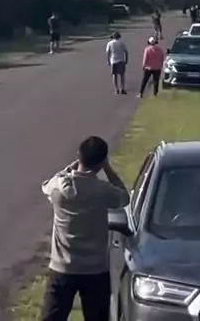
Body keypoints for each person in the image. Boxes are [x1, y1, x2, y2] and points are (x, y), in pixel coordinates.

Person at [40, 136, 129, 321]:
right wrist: (108, 169)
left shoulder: (59, 188)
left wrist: (71, 168)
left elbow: (47, 185)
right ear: (101, 162)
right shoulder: (102, 191)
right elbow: (124, 197)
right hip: (94, 269)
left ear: (79, 156)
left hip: (63, 267)